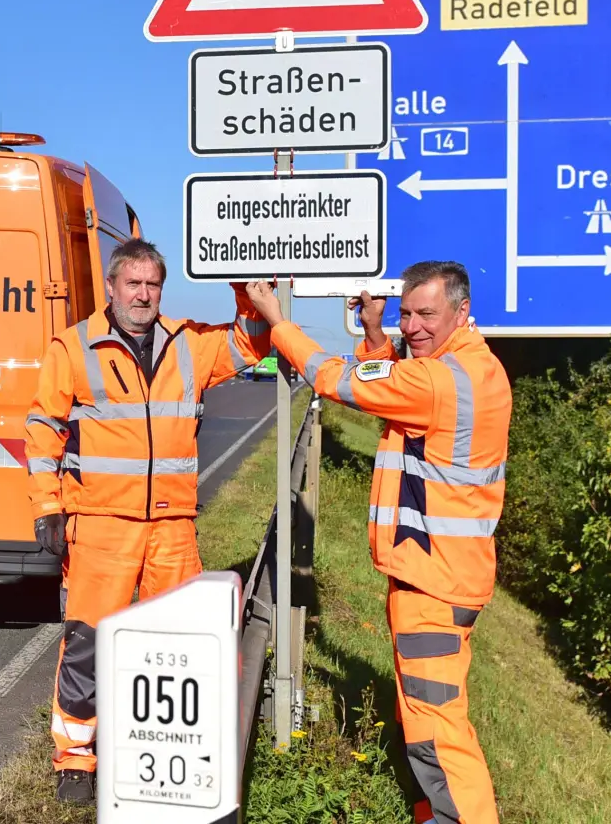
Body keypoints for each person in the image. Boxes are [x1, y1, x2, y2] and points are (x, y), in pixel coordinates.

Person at [243, 261, 510, 824]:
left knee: (438, 728)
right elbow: (391, 386)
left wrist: (277, 320)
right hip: (447, 573)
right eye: (406, 314)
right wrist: (374, 334)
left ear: (460, 311)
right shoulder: (470, 369)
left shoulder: (437, 381)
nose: (413, 326)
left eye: (426, 314)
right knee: (423, 715)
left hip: (434, 582)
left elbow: (335, 379)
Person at [23, 238, 271, 804]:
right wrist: (47, 505)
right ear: (111, 287)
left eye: (151, 284)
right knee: (86, 642)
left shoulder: (188, 344)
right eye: (132, 283)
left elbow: (253, 344)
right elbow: (43, 430)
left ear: (162, 289)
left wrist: (242, 288)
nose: (142, 294)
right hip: (101, 525)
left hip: (172, 526)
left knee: (178, 643)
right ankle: (75, 760)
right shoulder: (74, 348)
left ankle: (166, 753)